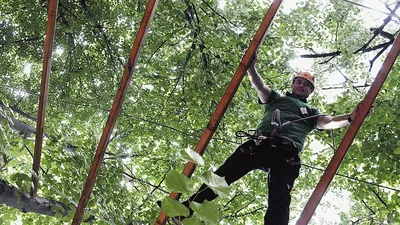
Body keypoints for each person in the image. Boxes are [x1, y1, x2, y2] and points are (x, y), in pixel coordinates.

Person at [176, 53, 362, 225]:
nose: (301, 86)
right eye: (299, 82)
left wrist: (350, 117)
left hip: (286, 153)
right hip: (259, 145)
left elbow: (328, 122)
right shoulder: (276, 99)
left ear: (310, 92)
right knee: (222, 176)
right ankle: (186, 209)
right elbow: (260, 86)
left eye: (306, 85)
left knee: (280, 196)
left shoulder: (311, 113)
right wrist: (251, 68)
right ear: (293, 84)